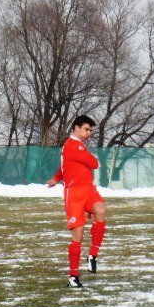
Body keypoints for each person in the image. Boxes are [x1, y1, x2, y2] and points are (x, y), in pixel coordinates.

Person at [47, 115, 106, 288]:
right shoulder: (74, 146)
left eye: (90, 130)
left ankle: (92, 255)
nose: (89, 133)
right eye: (86, 129)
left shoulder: (75, 147)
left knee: (100, 211)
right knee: (77, 235)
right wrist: (93, 160)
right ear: (76, 128)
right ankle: (73, 276)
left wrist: (56, 178)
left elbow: (64, 165)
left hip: (88, 190)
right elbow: (94, 164)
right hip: (74, 195)